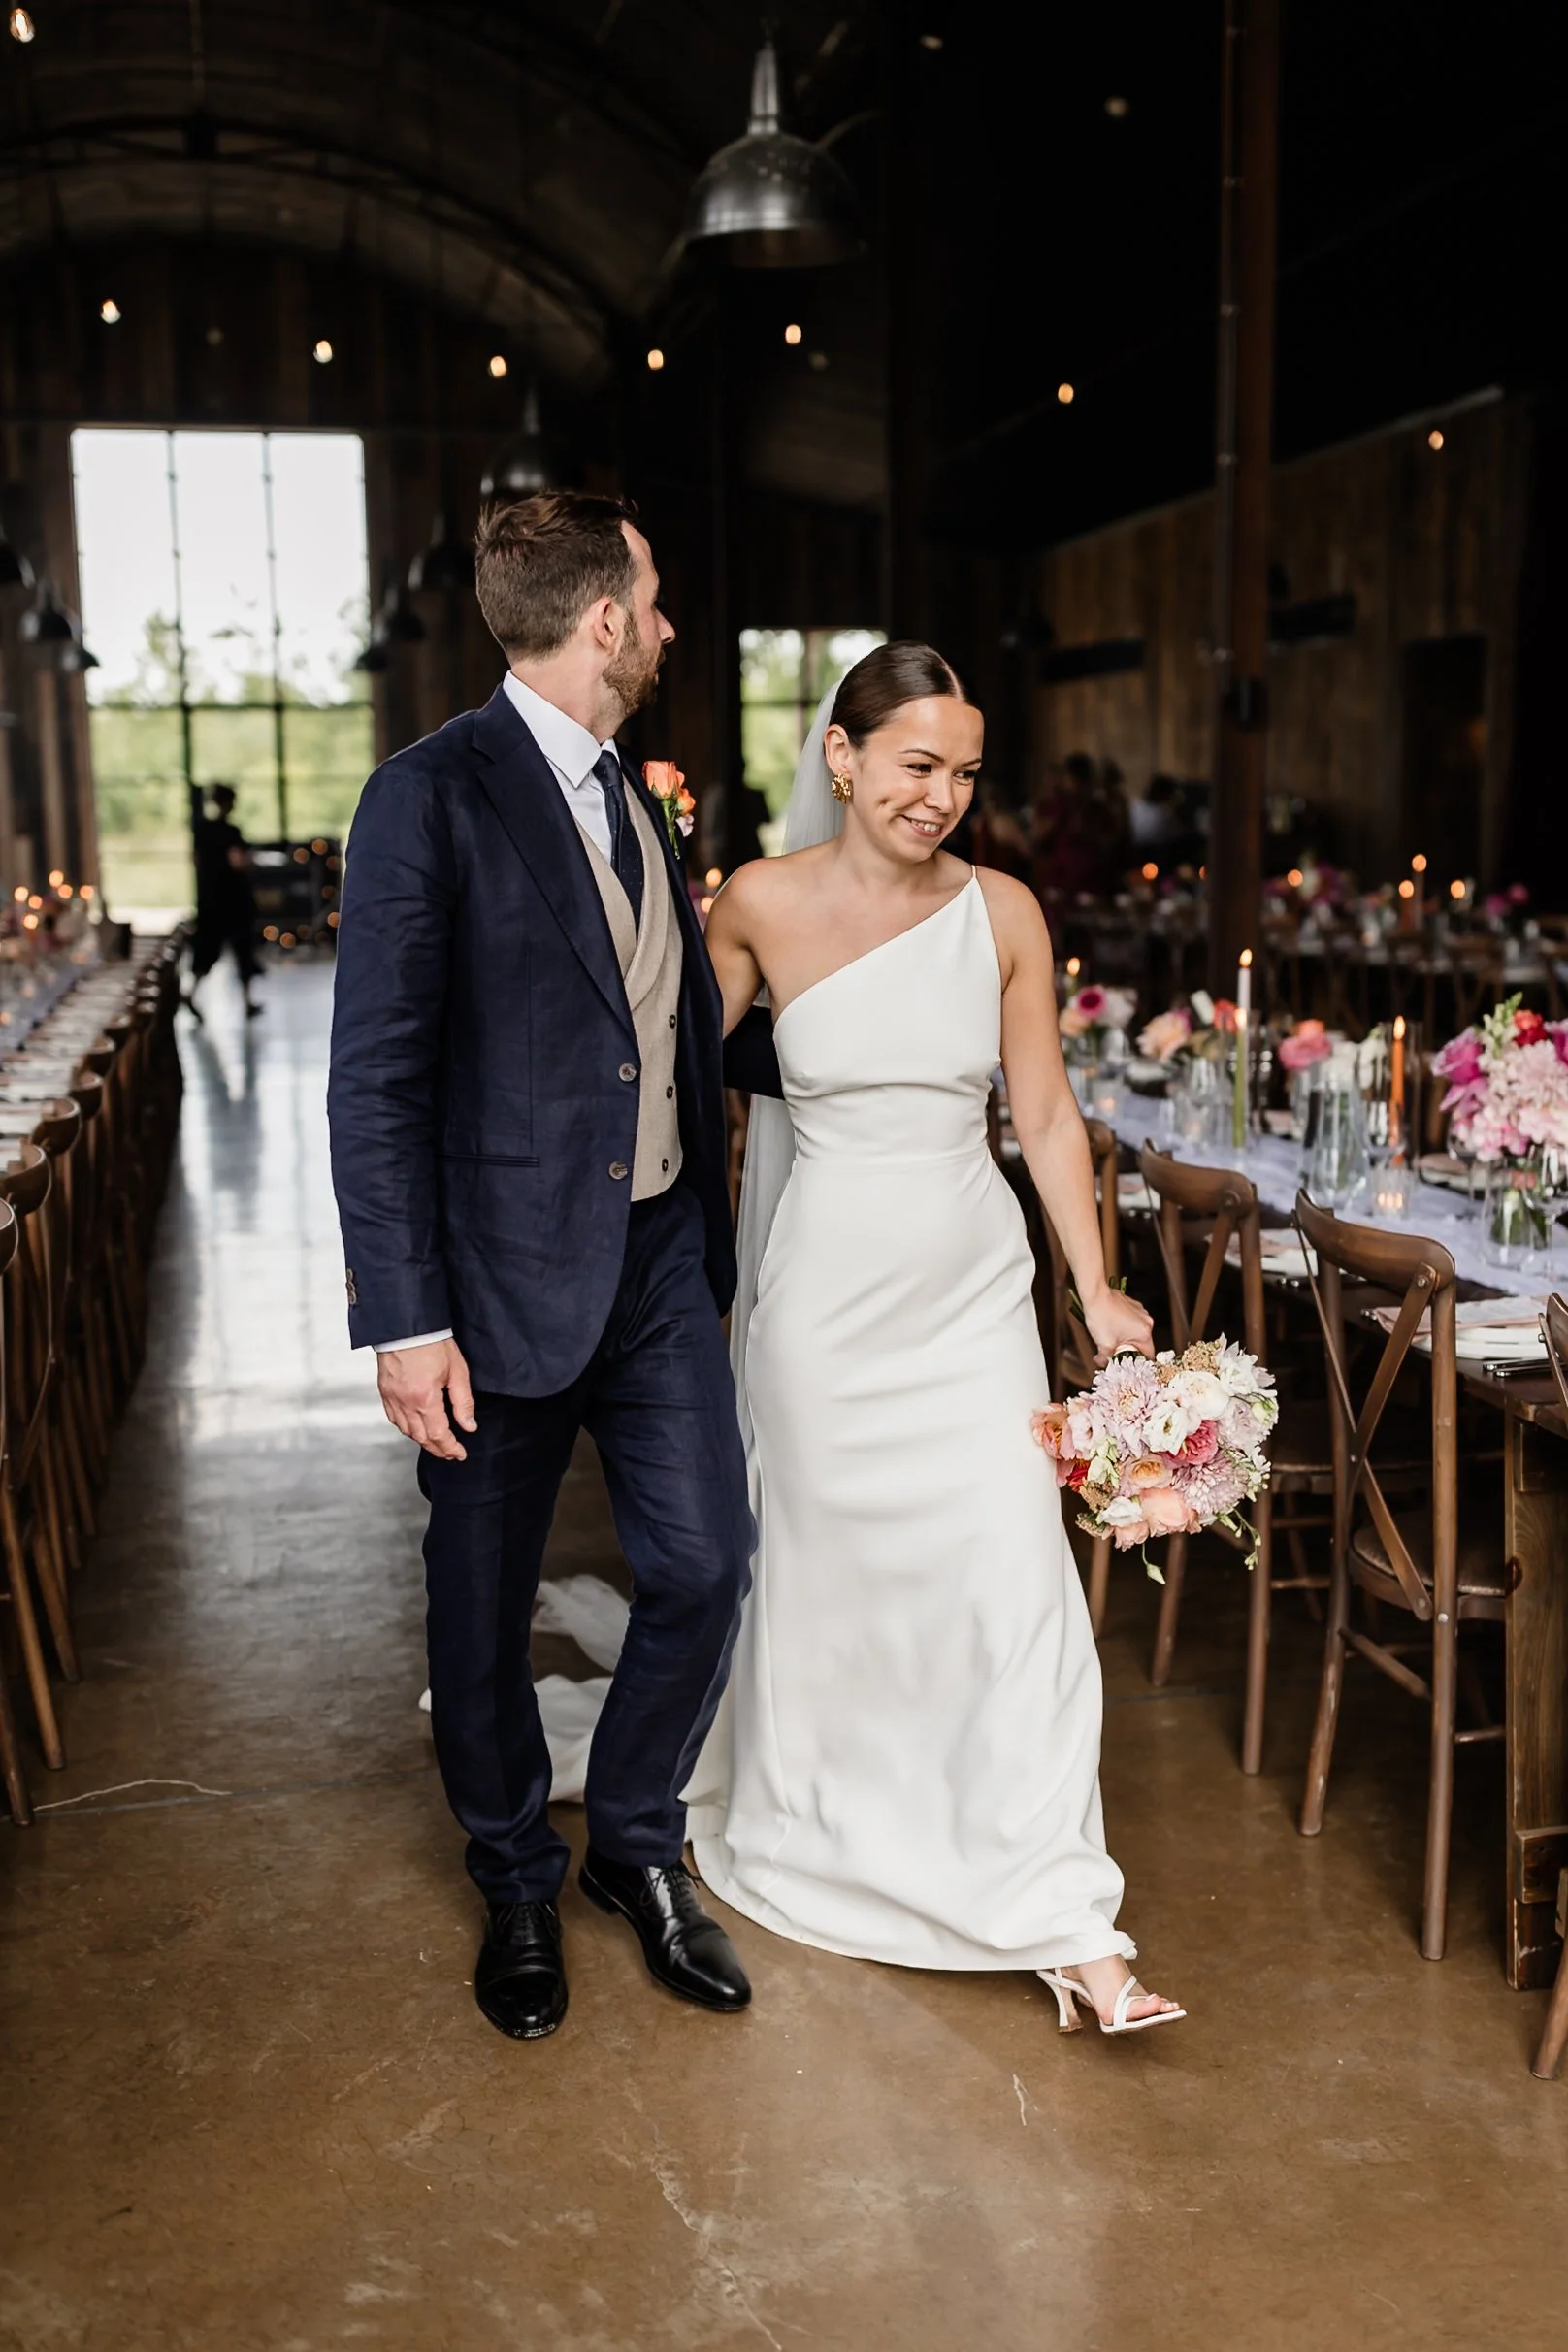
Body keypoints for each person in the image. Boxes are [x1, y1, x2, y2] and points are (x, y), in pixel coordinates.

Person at [693, 641, 1184, 2037]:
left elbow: (1043, 1115)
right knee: (833, 1590)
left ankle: (1065, 1918)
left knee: (1016, 1587)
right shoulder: (756, 905)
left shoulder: (1004, 910)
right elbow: (658, 1083)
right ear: (841, 757)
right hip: (824, 1308)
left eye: (965, 773)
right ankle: (827, 1833)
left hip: (971, 1296)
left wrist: (1094, 1287)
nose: (941, 797)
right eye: (917, 765)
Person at [327, 491, 754, 2042]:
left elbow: (654, 1025)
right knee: (481, 1605)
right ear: (605, 621)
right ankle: (514, 1873)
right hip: (495, 1276)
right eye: (657, 602)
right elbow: (376, 1077)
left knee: (706, 1562)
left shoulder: (636, 793)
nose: (669, 629)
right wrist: (405, 1318)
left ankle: (632, 1843)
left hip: (658, 1258)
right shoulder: (424, 797)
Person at [187, 784, 262, 1018]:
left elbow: (196, 860)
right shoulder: (231, 832)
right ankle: (247, 1001)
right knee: (242, 951)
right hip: (233, 901)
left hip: (209, 901)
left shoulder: (202, 831)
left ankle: (190, 992)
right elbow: (236, 862)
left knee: (207, 950)